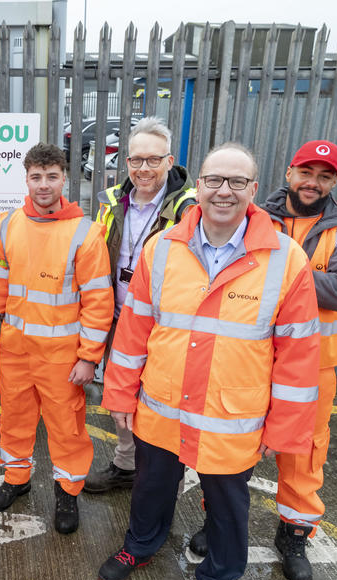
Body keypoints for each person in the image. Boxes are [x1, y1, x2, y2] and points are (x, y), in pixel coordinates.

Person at [96, 143, 320, 580]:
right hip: (162, 409)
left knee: (226, 507)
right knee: (151, 490)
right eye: (214, 180)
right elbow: (134, 329)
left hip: (231, 416)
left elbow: (298, 357)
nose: (224, 190)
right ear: (197, 184)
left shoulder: (286, 259)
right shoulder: (163, 248)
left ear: (254, 190)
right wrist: (118, 392)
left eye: (237, 182)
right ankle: (141, 546)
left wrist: (281, 432)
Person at [187, 140, 337, 580]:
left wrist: (276, 266)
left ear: (334, 182)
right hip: (246, 354)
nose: (313, 183)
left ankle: (294, 533)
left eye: (325, 176)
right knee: (224, 444)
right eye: (306, 172)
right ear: (288, 173)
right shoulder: (256, 213)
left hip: (314, 363)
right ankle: (219, 524)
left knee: (303, 452)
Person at [0, 142, 113, 534]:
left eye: (51, 176)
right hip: (15, 350)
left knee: (66, 427)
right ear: (27, 178)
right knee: (15, 420)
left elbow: (99, 301)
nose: (43, 185)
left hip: (62, 357)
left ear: (64, 179)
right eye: (36, 176)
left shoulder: (85, 234)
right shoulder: (9, 224)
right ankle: (16, 481)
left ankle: (67, 492)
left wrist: (89, 357)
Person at [85, 116, 197, 494]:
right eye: (136, 160)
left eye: (153, 160)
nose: (143, 169)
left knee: (162, 401)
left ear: (170, 160)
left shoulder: (189, 207)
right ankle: (127, 463)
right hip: (119, 316)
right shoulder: (113, 201)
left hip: (166, 324)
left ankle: (166, 475)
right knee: (119, 393)